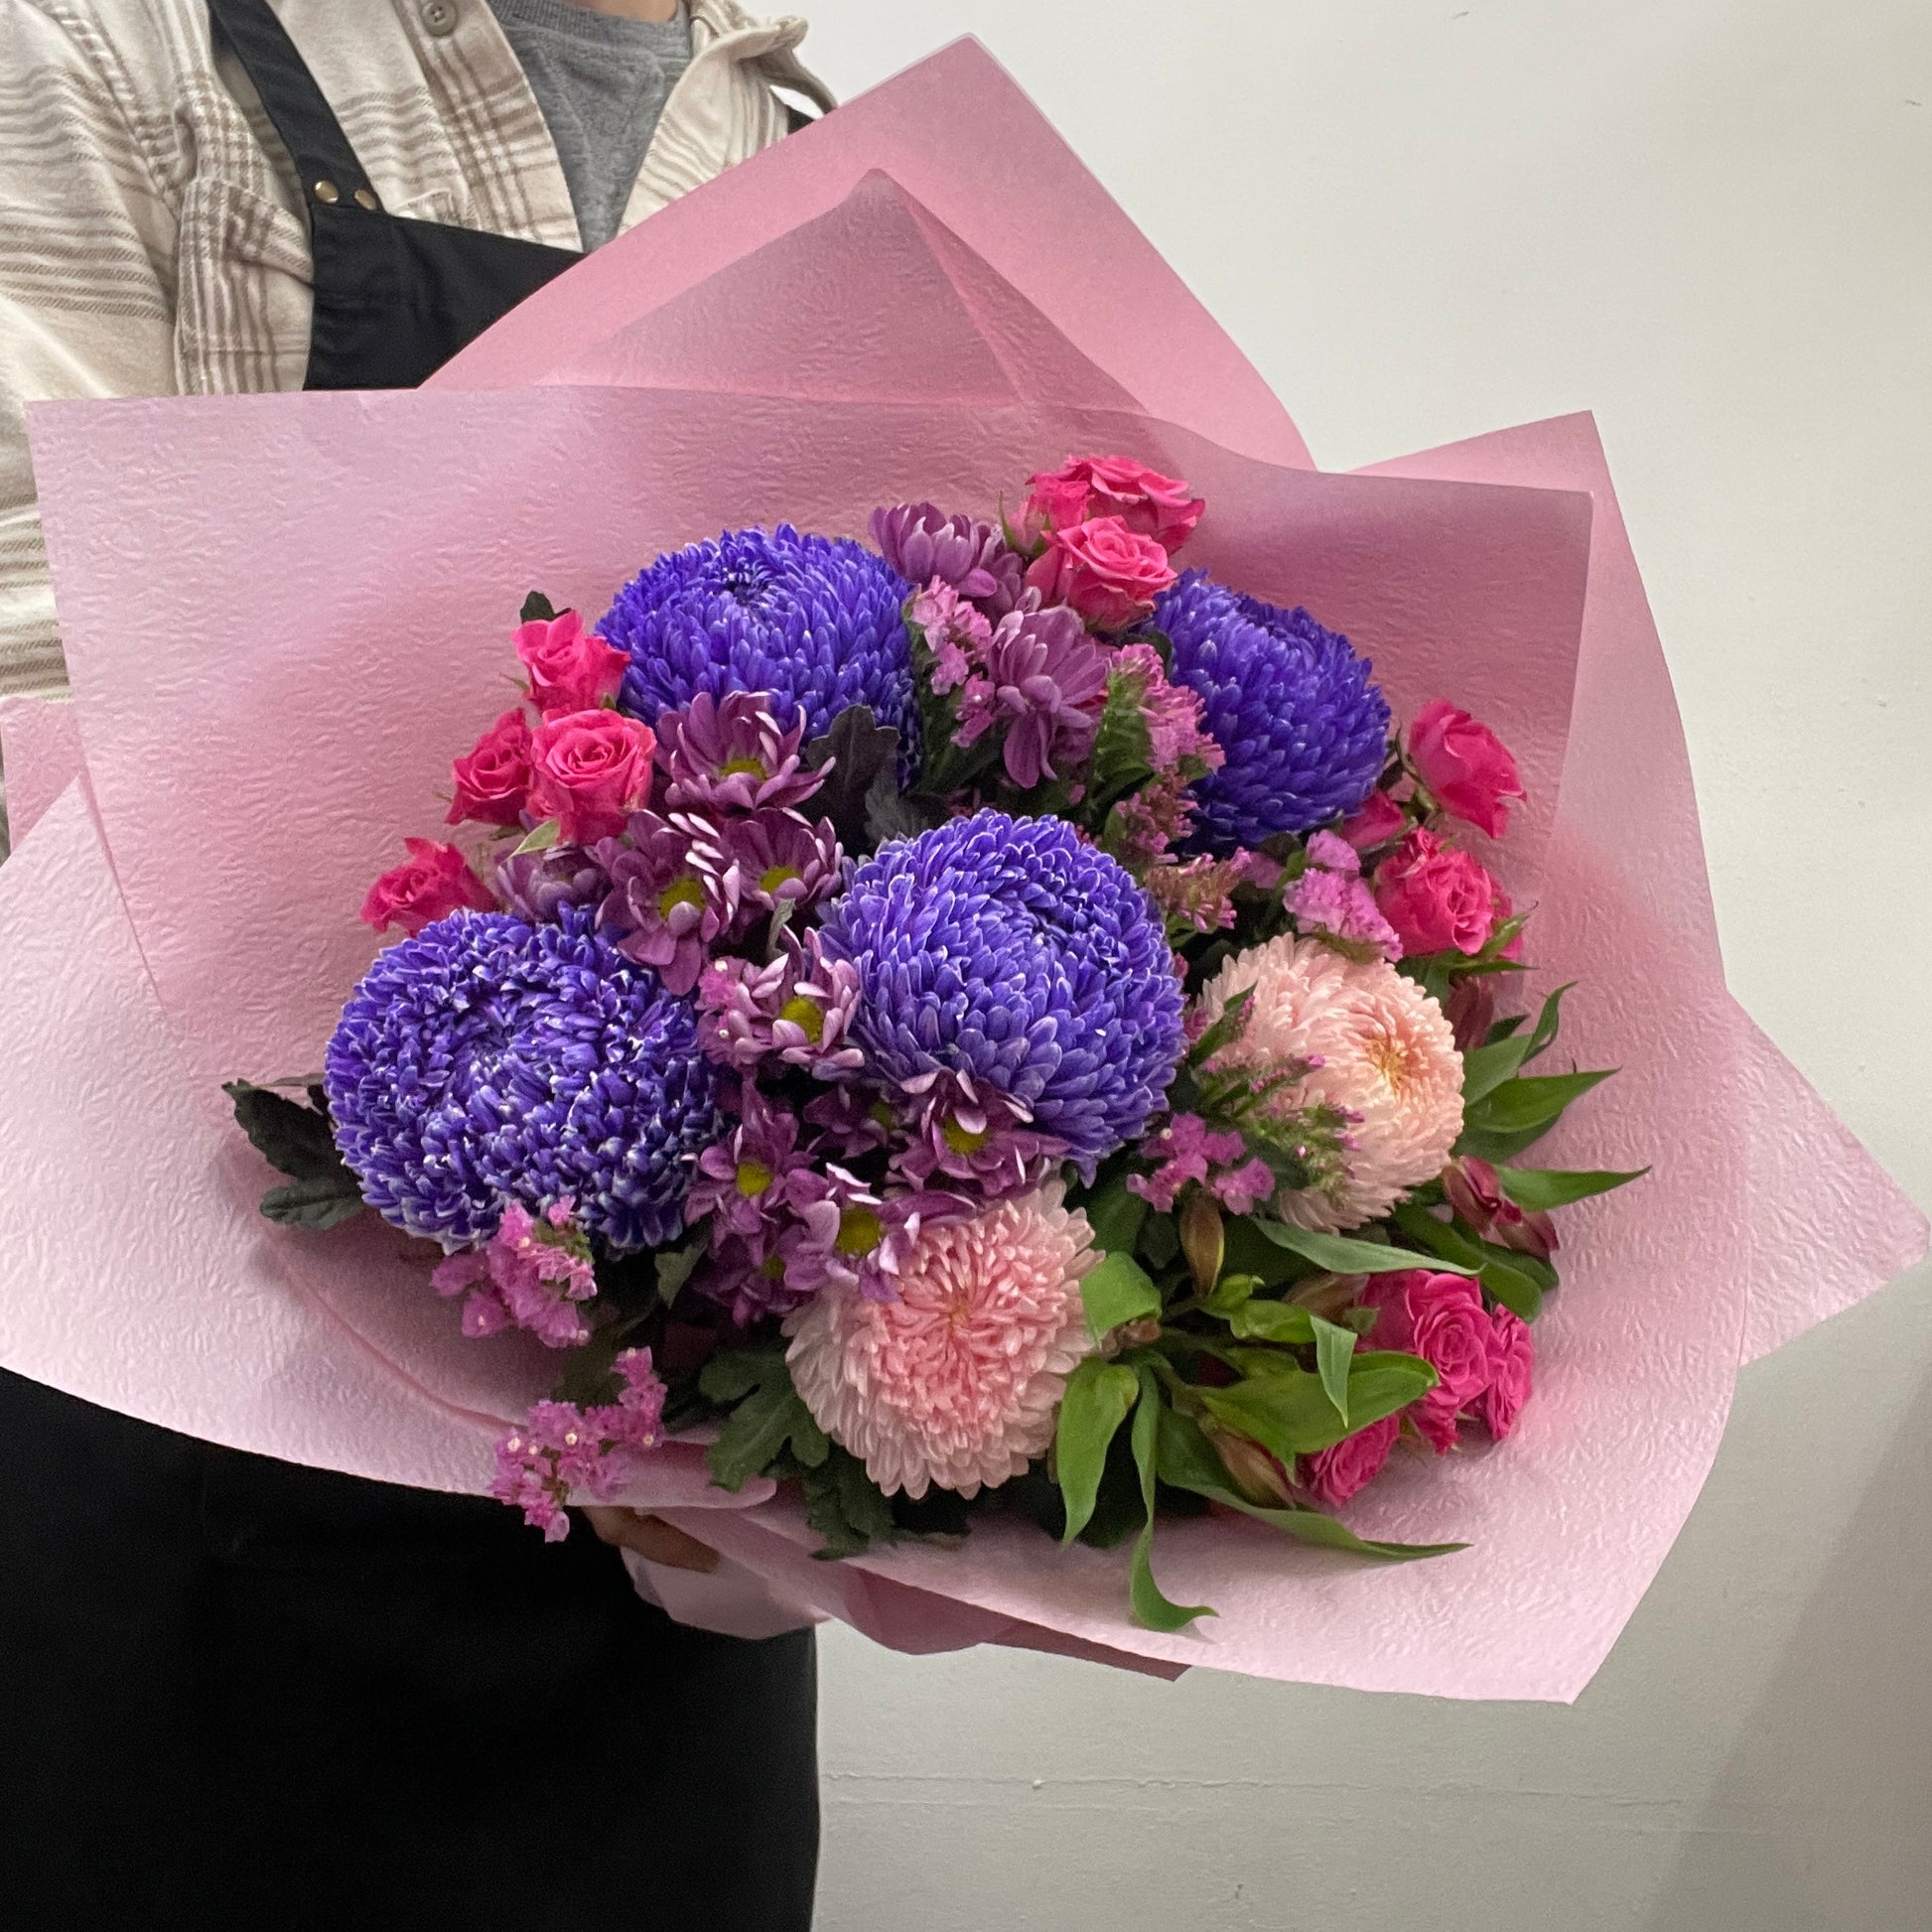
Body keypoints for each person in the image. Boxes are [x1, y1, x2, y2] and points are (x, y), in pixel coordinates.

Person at [0, 3, 832, 1925]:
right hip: (195, 1463)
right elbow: (27, 738)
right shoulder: (111, 51)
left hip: (675, 1547)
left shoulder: (793, 125)